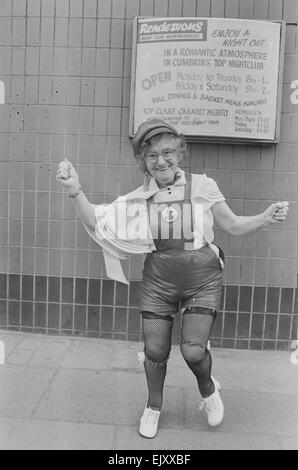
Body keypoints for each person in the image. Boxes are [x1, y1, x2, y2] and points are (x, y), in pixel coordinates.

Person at [56, 119, 289, 439]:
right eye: (151, 156)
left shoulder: (203, 186)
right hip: (158, 282)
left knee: (193, 350)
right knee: (154, 351)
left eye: (167, 152)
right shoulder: (138, 199)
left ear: (179, 153)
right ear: (143, 161)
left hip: (202, 279)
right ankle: (153, 406)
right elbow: (99, 221)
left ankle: (208, 391)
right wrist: (75, 191)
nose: (161, 161)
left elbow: (233, 225)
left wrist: (265, 217)